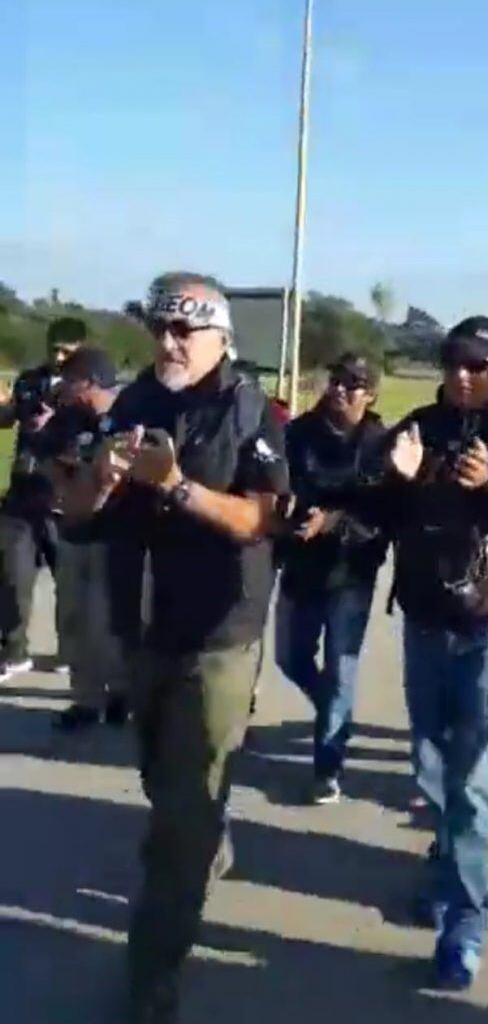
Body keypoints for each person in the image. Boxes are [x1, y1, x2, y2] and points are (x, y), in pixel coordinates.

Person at [62, 273, 288, 1023]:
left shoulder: (248, 408)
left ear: (221, 335)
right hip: (144, 627)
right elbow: (82, 512)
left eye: (183, 330)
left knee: (177, 824)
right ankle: (202, 841)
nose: (167, 342)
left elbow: (260, 518)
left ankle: (151, 977)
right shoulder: (135, 402)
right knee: (163, 779)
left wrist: (178, 485)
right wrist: (98, 481)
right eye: (158, 327)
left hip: (217, 636)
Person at [354, 317, 488, 990]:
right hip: (425, 620)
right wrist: (396, 477)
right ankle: (446, 864)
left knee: (474, 777)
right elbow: (376, 510)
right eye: (453, 363)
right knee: (430, 764)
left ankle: (466, 918)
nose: (463, 376)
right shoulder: (418, 425)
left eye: (478, 364)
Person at [275, 354, 388, 804]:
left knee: (342, 669)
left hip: (352, 573)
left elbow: (384, 513)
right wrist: (290, 513)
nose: (340, 389)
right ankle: (335, 715)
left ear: (371, 394)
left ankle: (328, 766)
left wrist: (335, 521)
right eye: (336, 379)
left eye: (354, 384)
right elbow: (278, 482)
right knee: (290, 658)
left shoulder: (381, 442)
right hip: (301, 566)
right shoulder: (298, 432)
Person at [38, 347, 135, 731]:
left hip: (116, 537)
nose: (63, 385)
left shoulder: (128, 417)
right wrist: (67, 479)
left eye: (71, 378)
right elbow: (46, 458)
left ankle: (120, 693)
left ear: (91, 382)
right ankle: (85, 698)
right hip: (73, 532)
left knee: (107, 622)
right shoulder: (67, 419)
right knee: (73, 620)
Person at [0, 316, 87, 679]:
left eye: (68, 351)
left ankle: (72, 649)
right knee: (11, 576)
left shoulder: (85, 386)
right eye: (55, 349)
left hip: (63, 496)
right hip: (23, 490)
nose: (60, 357)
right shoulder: (29, 381)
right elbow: (7, 420)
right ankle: (13, 649)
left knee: (68, 581)